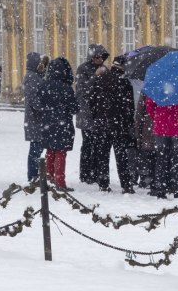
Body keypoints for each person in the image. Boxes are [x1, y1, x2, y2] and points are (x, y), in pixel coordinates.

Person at [88, 56, 135, 193]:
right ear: (122, 67)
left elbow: (92, 101)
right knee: (122, 156)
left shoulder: (100, 80)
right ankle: (126, 185)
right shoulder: (125, 83)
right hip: (118, 125)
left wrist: (98, 117)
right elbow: (129, 107)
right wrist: (126, 122)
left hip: (102, 125)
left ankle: (103, 183)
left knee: (103, 155)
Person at [38, 57, 77, 189]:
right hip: (62, 123)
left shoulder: (43, 86)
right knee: (60, 152)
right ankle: (59, 181)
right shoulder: (66, 88)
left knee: (50, 151)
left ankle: (49, 179)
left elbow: (38, 104)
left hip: (47, 123)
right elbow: (74, 108)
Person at [145, 96, 178, 199]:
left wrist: (158, 117)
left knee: (161, 160)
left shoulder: (157, 85)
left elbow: (149, 105)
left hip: (161, 127)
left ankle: (161, 190)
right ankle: (176, 191)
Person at [75, 44, 109, 184]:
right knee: (88, 145)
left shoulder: (105, 69)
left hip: (100, 114)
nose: (100, 59)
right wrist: (95, 77)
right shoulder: (83, 69)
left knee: (99, 145)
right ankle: (85, 174)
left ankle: (96, 173)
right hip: (87, 113)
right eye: (97, 57)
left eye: (102, 56)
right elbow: (82, 91)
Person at [23, 52, 45, 181]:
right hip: (35, 119)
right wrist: (44, 108)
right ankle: (32, 175)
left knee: (36, 147)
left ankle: (34, 174)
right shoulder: (32, 77)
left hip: (35, 119)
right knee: (36, 148)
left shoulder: (34, 76)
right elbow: (33, 98)